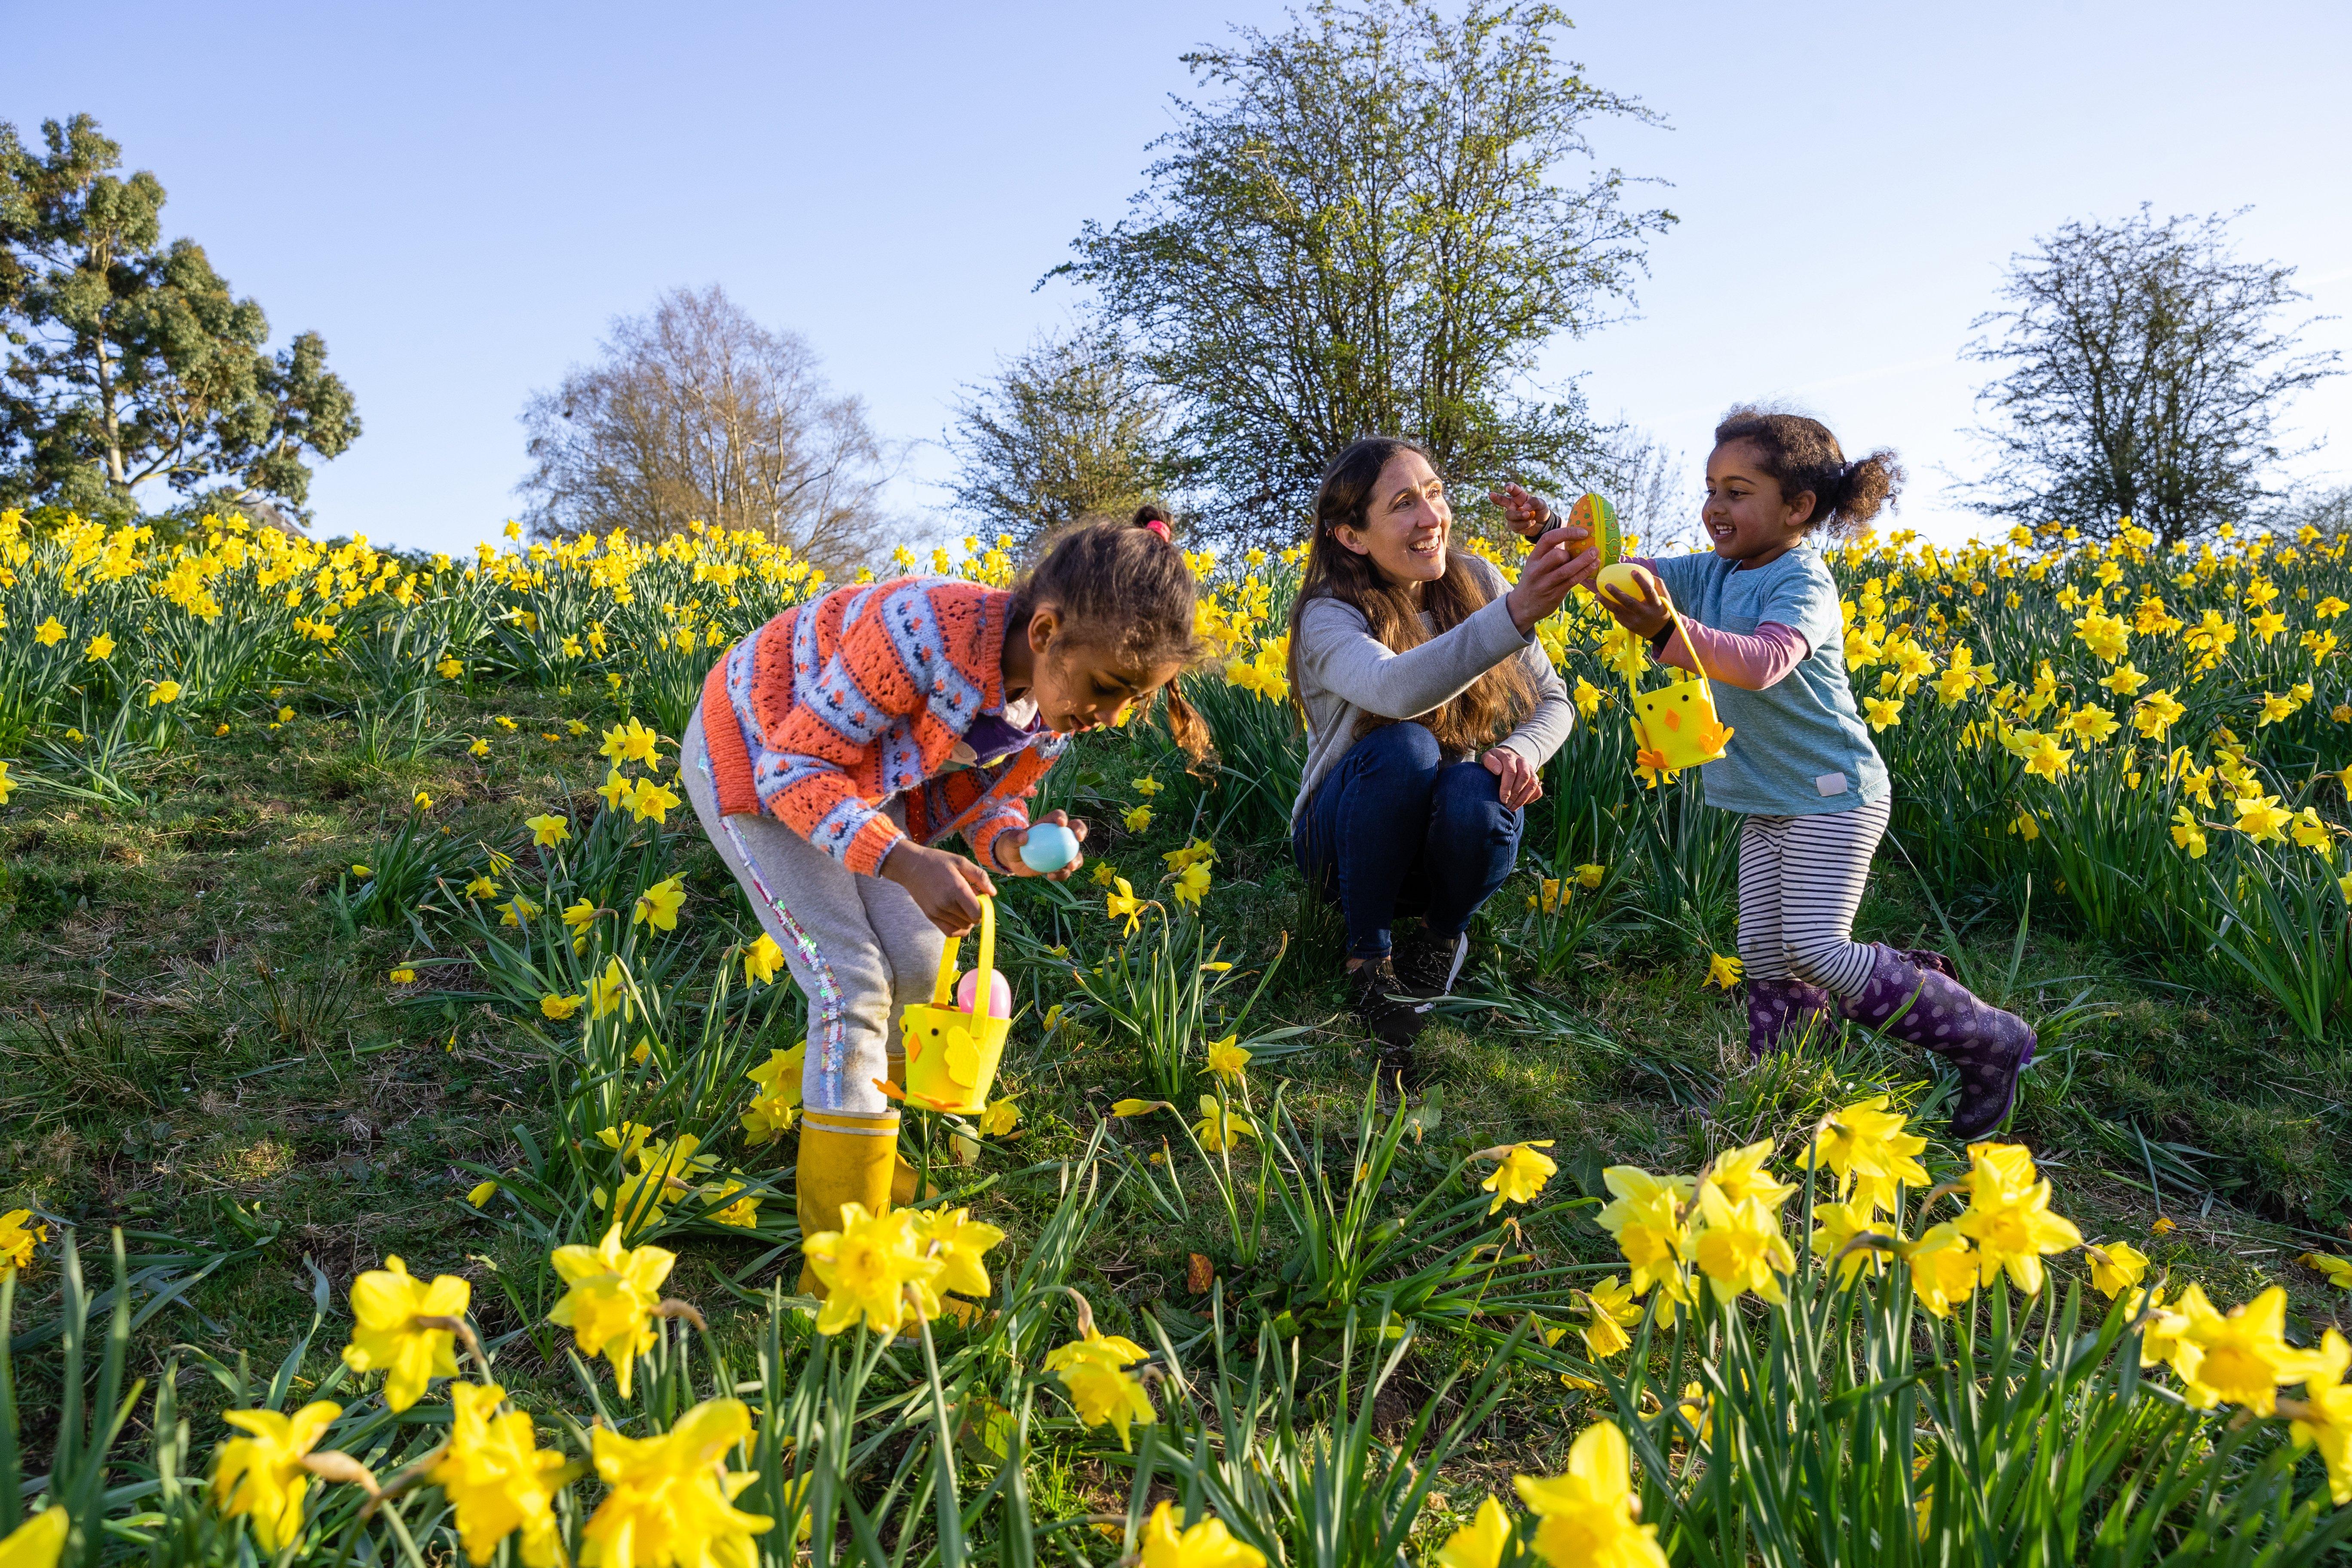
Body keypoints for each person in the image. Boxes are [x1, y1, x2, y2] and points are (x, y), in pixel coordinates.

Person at [680, 511, 1207, 1296]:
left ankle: (884, 1191)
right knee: (851, 982)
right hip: (760, 753)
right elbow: (795, 770)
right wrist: (900, 859)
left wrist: (1012, 845)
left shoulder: (1051, 709)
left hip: (853, 779)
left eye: (1136, 699)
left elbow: (972, 800)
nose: (1114, 716)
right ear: (1046, 629)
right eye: (1108, 689)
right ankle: (843, 1268)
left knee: (922, 963)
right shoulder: (918, 631)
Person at [1577, 407, 2034, 1139]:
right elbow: (1623, 581)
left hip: (1834, 796)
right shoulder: (1712, 571)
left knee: (1817, 948)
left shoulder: (1802, 582)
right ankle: (1789, 1087)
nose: (1714, 507)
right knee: (1765, 950)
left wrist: (1667, 629)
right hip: (1766, 796)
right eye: (1710, 488)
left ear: (1798, 508)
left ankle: (1991, 1041)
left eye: (1737, 491)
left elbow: (1762, 664)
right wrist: (1558, 538)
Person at [1286, 437, 1586, 1076]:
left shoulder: (1475, 580)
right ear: (1353, 536)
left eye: (1435, 493)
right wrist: (1515, 613)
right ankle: (1367, 956)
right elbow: (1393, 692)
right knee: (1405, 745)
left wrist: (1519, 750)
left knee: (1475, 787)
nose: (1431, 518)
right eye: (1403, 504)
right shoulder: (1328, 615)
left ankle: (1440, 937)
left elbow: (1554, 700)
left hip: (1440, 838)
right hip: (1341, 848)